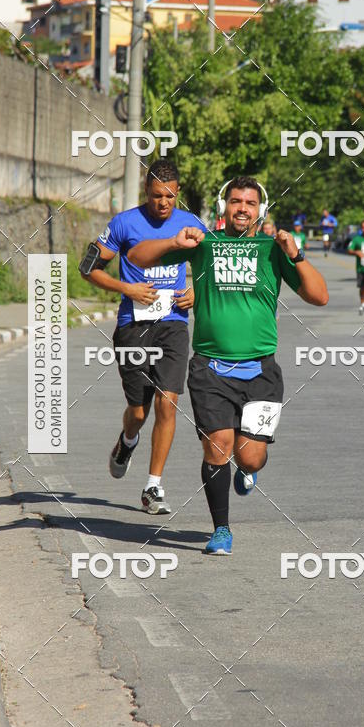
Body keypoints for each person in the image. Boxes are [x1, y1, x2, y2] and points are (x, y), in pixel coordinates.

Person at [129, 176, 328, 556]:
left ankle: (249, 468)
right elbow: (136, 258)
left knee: (249, 455)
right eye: (236, 201)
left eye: (250, 203)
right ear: (224, 207)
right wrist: (175, 242)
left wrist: (296, 253)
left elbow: (319, 296)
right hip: (210, 369)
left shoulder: (272, 249)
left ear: (260, 210)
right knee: (217, 447)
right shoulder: (205, 245)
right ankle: (221, 529)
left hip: (261, 372)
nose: (242, 209)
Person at [80, 159, 199, 515]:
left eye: (170, 196)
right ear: (145, 192)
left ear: (178, 193)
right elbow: (88, 268)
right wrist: (127, 288)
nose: (163, 203)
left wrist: (199, 291)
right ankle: (127, 441)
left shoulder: (191, 223)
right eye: (156, 195)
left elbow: (212, 268)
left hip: (173, 324)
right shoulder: (124, 223)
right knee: (138, 410)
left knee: (168, 402)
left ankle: (153, 487)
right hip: (133, 325)